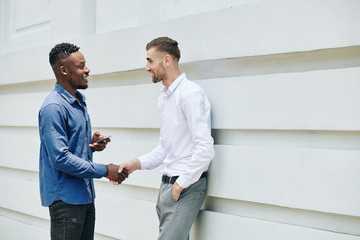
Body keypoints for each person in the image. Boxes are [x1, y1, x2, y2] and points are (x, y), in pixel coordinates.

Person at [117, 37, 215, 240]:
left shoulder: (190, 94)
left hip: (185, 186)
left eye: (150, 61)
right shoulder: (164, 97)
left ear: (167, 60)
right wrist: (136, 164)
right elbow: (165, 148)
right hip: (166, 188)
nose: (146, 67)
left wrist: (180, 186)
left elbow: (205, 149)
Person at [38, 43, 128, 240]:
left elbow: (70, 147)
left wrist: (92, 144)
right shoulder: (53, 107)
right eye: (81, 66)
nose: (87, 70)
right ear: (64, 71)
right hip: (66, 200)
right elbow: (60, 158)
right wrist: (105, 170)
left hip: (85, 196)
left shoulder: (79, 100)